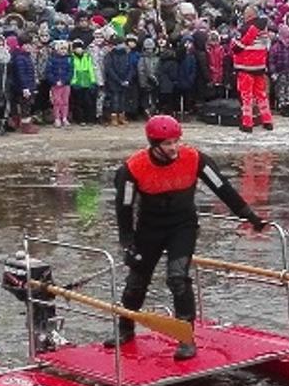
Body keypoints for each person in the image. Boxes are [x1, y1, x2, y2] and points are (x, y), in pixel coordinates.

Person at [112, 115, 268, 360]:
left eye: (176, 141)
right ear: (154, 144)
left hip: (182, 227)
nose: (173, 148)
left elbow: (222, 188)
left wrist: (249, 216)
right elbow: (124, 207)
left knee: (177, 278)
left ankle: (186, 338)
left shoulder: (195, 159)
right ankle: (125, 328)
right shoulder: (133, 168)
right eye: (167, 144)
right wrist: (127, 242)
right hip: (149, 229)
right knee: (137, 281)